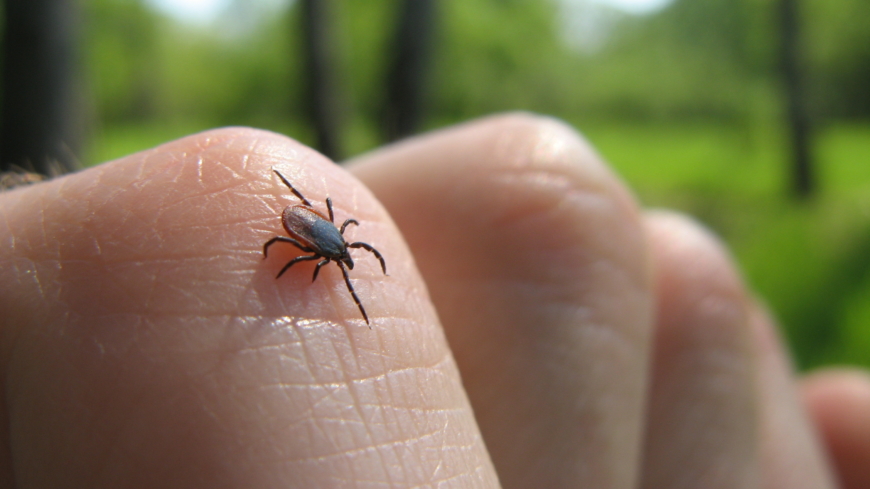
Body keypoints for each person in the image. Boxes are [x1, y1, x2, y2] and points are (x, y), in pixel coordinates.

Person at [0, 113, 867, 488]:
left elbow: (296, 239)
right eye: (335, 254)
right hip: (293, 213)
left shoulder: (314, 243)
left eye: (335, 256)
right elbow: (295, 235)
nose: (335, 256)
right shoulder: (319, 239)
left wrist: (306, 243)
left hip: (297, 216)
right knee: (268, 229)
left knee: (276, 235)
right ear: (328, 244)